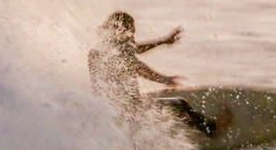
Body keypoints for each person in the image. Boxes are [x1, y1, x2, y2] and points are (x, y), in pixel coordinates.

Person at [88, 11, 217, 134]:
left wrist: (163, 41)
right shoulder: (116, 52)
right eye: (131, 31)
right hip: (129, 109)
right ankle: (212, 131)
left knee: (165, 106)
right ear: (121, 30)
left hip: (110, 110)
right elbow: (136, 66)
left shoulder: (100, 49)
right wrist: (164, 79)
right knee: (180, 105)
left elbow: (135, 49)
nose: (133, 35)